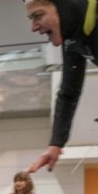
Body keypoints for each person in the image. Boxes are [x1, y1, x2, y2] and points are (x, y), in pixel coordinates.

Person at [24, 0, 98, 173]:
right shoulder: (74, 35)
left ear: (66, 8)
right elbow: (68, 93)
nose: (33, 27)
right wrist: (56, 144)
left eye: (38, 15)